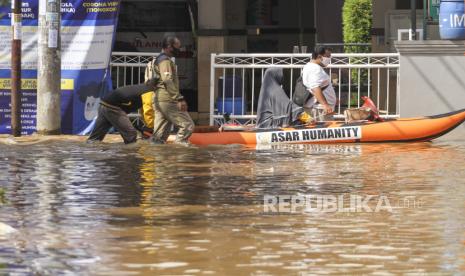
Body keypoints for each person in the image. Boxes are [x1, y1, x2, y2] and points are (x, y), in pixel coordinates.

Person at [152, 36, 194, 144]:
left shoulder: (160, 59)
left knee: (159, 136)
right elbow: (167, 80)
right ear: (169, 46)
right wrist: (179, 98)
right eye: (177, 47)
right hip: (168, 99)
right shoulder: (164, 60)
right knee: (187, 125)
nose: (179, 49)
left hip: (159, 99)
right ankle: (179, 149)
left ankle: (155, 157)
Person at [87, 82, 154, 144]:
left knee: (94, 139)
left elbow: (143, 111)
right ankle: (129, 154)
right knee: (130, 133)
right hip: (113, 107)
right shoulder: (149, 92)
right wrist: (151, 127)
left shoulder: (143, 89)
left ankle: (88, 151)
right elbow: (148, 110)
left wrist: (147, 126)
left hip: (104, 103)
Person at [301, 47, 337, 116]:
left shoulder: (312, 67)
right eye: (328, 56)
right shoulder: (314, 69)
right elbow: (315, 88)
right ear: (320, 56)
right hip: (319, 109)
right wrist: (325, 105)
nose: (329, 58)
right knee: (326, 126)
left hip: (320, 107)